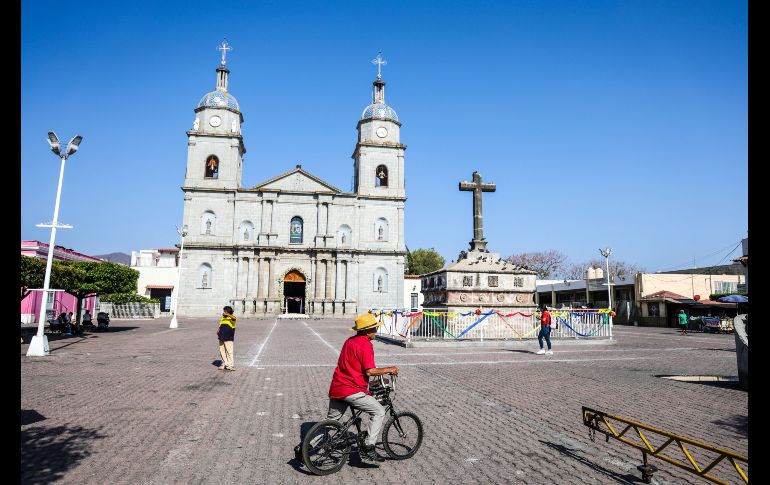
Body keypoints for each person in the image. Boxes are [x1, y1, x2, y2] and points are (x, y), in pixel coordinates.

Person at [326, 313, 399, 462]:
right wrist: (389, 369)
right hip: (352, 390)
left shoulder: (350, 341)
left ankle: (306, 446)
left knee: (329, 423)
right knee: (379, 411)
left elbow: (355, 366)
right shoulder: (365, 344)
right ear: (367, 331)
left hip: (337, 387)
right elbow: (370, 371)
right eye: (374, 329)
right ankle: (368, 447)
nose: (376, 331)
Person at [217, 306, 237, 370]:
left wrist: (228, 314)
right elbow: (220, 325)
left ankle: (230, 365)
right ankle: (224, 364)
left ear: (227, 311)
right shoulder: (223, 318)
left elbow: (234, 318)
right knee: (222, 351)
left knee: (229, 351)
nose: (223, 312)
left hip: (228, 337)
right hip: (221, 337)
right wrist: (218, 331)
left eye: (224, 311)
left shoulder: (231, 318)